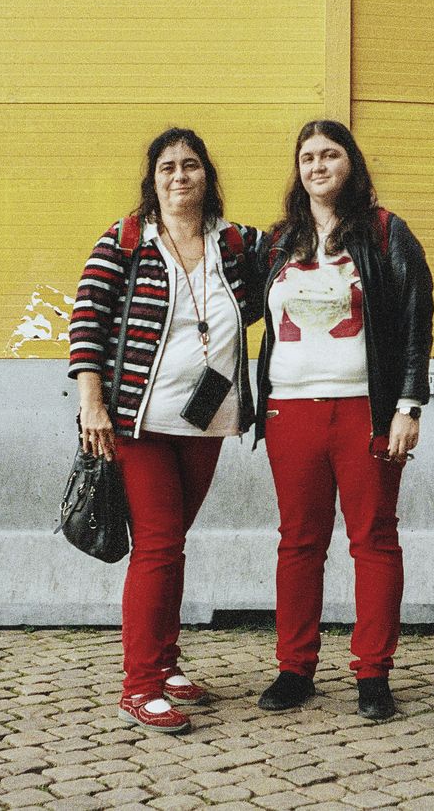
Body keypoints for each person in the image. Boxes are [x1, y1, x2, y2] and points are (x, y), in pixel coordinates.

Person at [68, 128, 261, 734]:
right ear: (153, 181)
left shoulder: (235, 243)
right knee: (157, 546)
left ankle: (166, 662)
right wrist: (91, 404)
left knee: (172, 541)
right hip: (140, 422)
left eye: (192, 166)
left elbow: (290, 261)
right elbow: (87, 322)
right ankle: (140, 684)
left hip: (206, 421)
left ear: (209, 176)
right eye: (168, 168)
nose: (180, 177)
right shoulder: (125, 240)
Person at [254, 120, 434, 720]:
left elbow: (415, 320)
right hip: (289, 409)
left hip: (365, 409)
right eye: (307, 157)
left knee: (374, 539)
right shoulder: (278, 242)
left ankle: (373, 673)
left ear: (350, 163)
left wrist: (408, 405)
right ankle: (293, 668)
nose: (317, 165)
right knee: (298, 543)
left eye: (329, 154)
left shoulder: (385, 233)